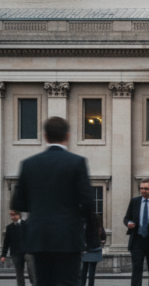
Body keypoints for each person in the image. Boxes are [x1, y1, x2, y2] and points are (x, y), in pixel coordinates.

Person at [11, 116, 95, 286]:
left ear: (45, 136)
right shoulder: (77, 162)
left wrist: (39, 205)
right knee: (69, 282)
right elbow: (87, 203)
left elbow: (18, 204)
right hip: (68, 237)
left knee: (43, 282)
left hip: (39, 237)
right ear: (68, 136)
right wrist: (91, 238)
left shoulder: (29, 164)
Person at [1, 210, 35, 286]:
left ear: (19, 215)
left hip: (27, 252)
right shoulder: (9, 227)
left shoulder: (26, 225)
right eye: (11, 216)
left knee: (31, 270)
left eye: (14, 215)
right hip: (16, 253)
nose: (12, 217)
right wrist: (3, 255)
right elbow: (6, 242)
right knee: (19, 273)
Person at [80, 219, 106, 286]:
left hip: (86, 248)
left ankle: (82, 284)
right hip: (95, 248)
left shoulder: (83, 224)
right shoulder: (97, 224)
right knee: (92, 270)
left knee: (84, 269)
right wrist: (102, 241)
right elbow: (103, 235)